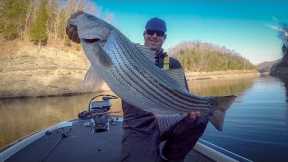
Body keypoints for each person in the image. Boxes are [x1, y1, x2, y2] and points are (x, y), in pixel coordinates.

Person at [66, 14, 208, 162]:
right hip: (138, 126)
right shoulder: (127, 50)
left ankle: (170, 156)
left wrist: (192, 109)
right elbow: (98, 61)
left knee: (201, 117)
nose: (154, 36)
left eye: (159, 33)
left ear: (164, 37)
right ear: (144, 34)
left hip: (168, 119)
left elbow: (184, 95)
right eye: (150, 31)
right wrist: (78, 31)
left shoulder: (172, 64)